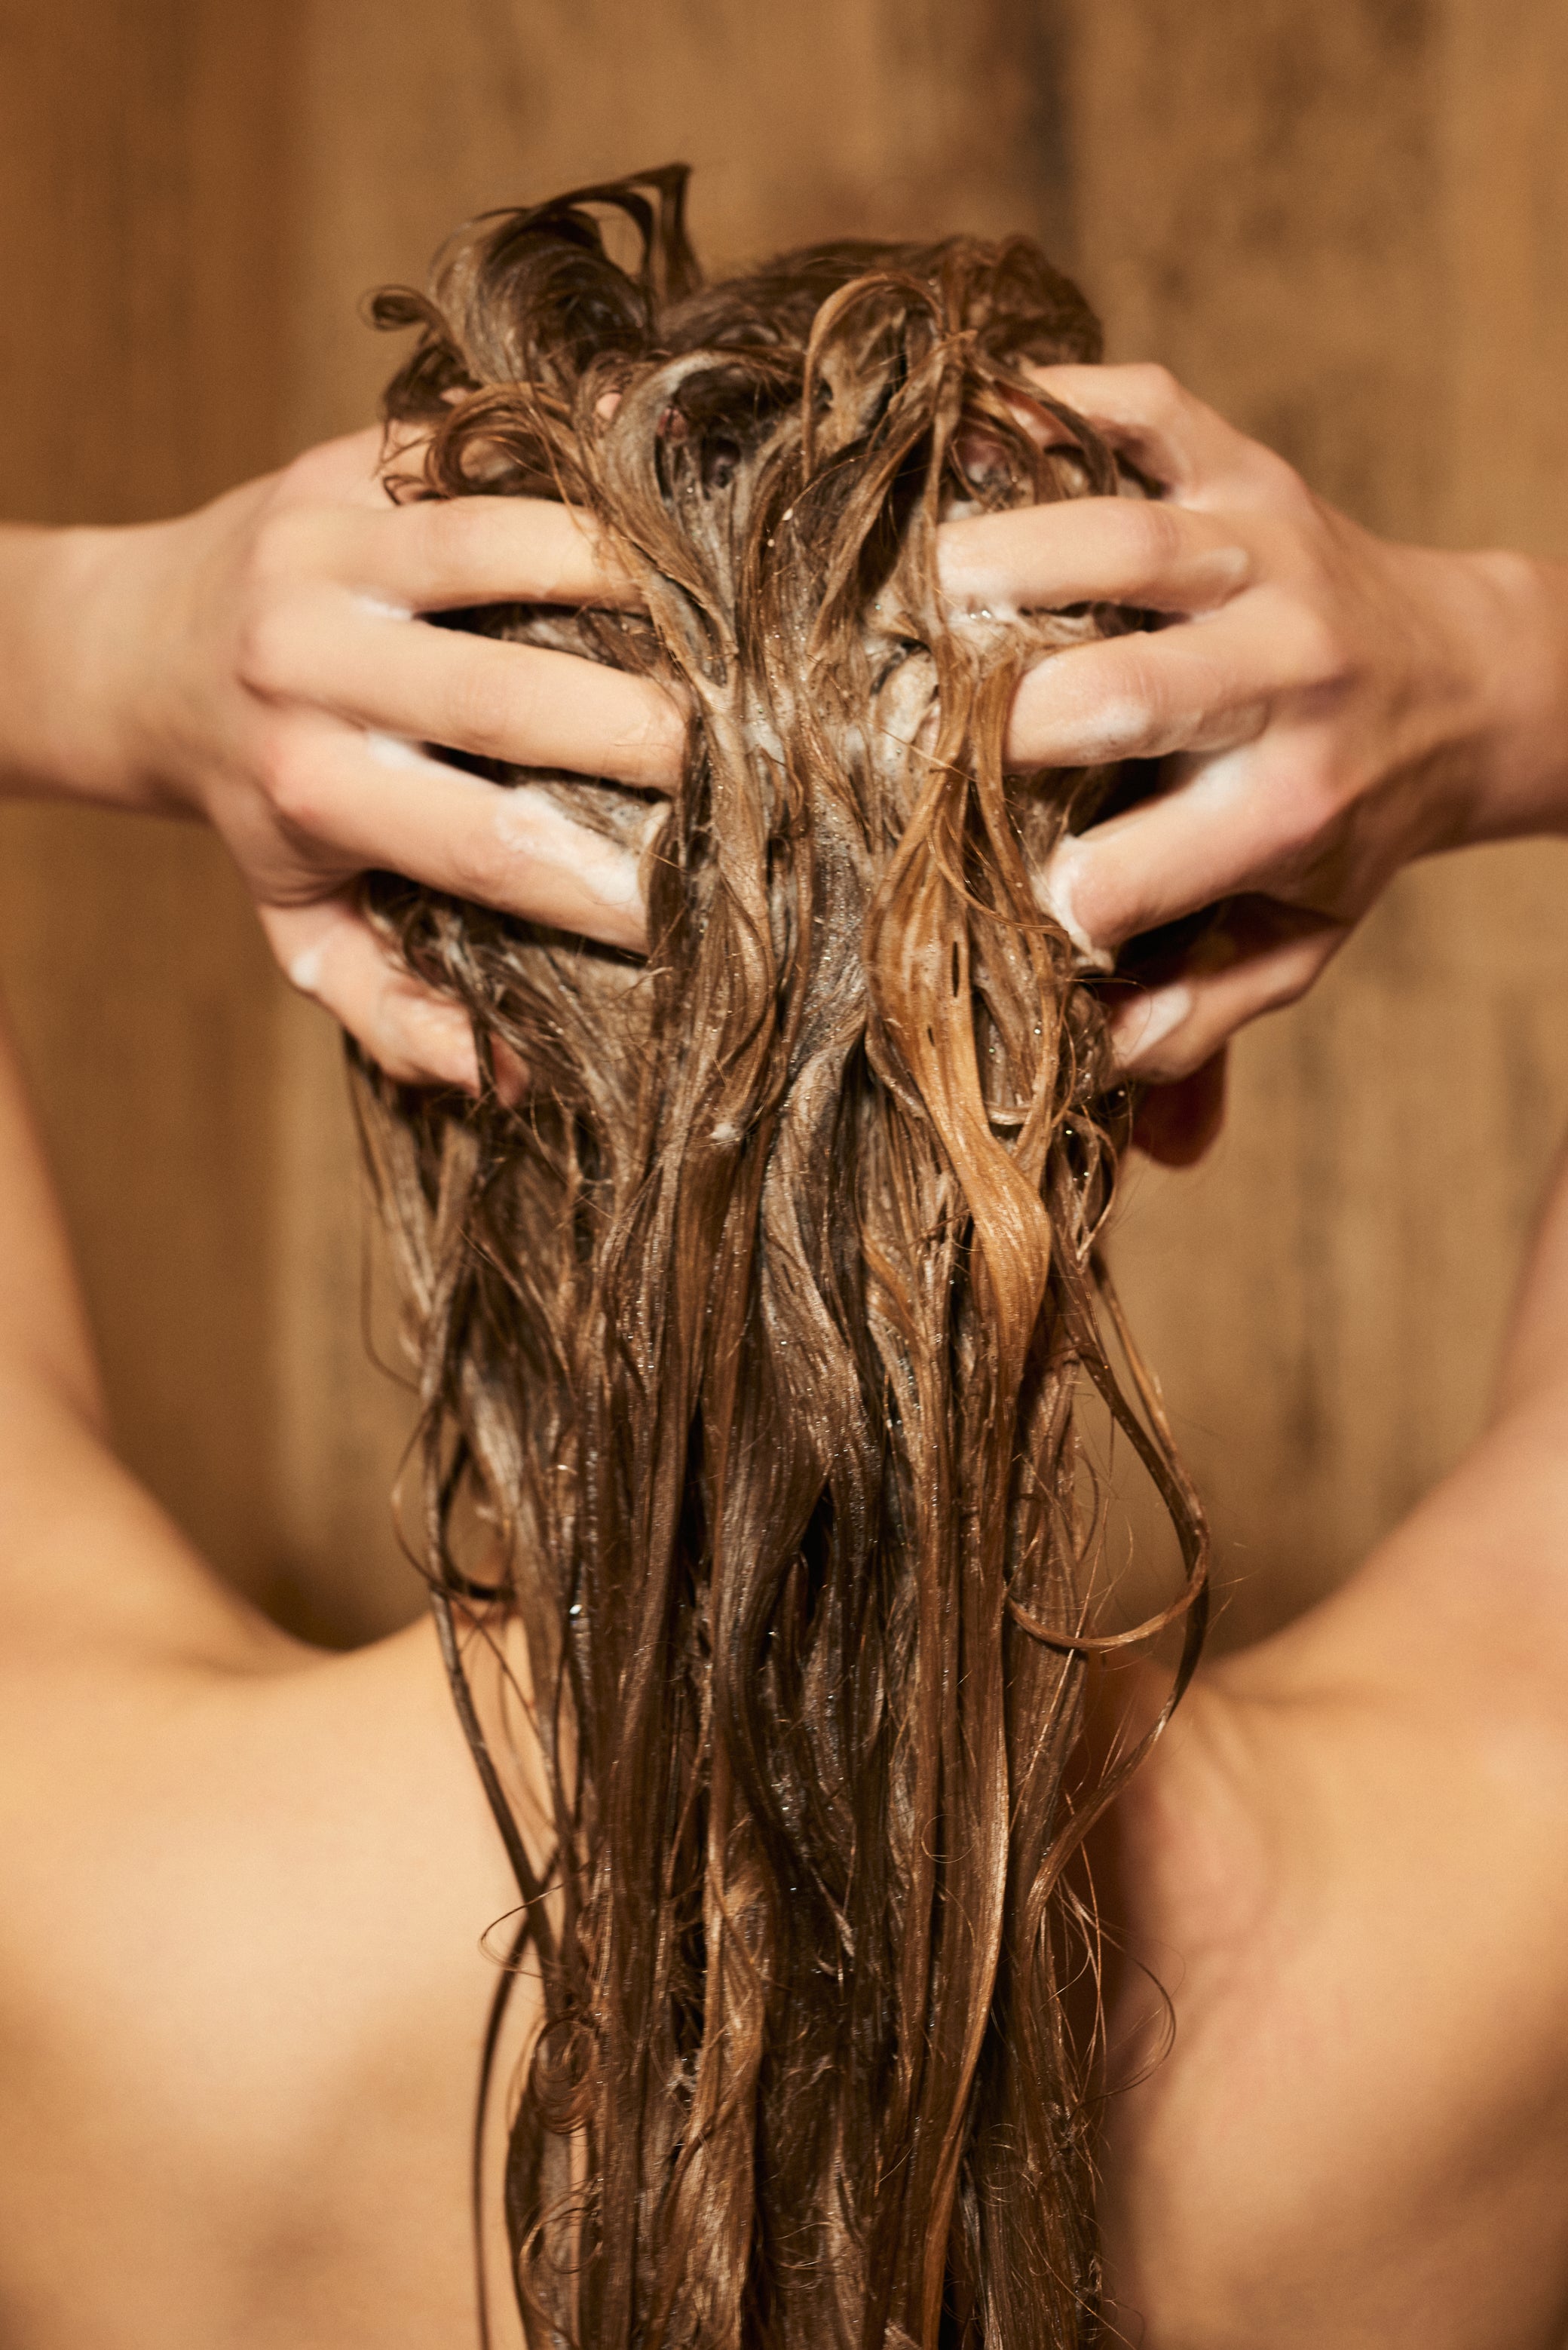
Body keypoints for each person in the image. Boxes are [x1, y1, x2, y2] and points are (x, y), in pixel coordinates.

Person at [1, 168, 1566, 2350]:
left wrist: (103, 636)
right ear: (1173, 1070)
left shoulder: (78, 1920)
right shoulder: (1501, 1911)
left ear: (412, 1025)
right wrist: (1491, 667)